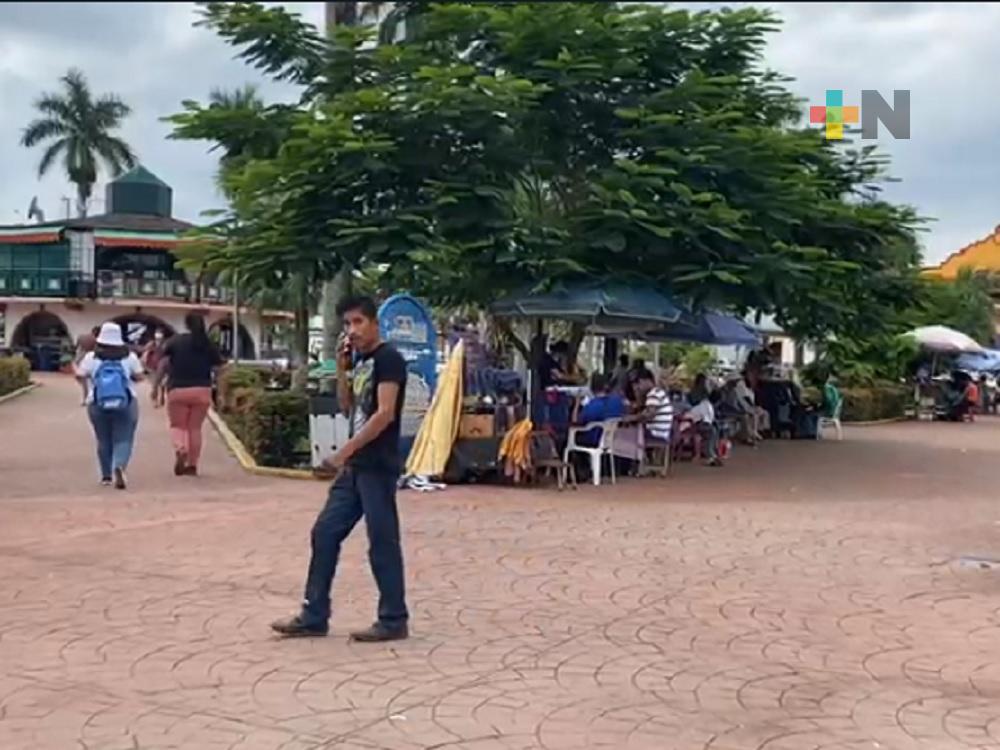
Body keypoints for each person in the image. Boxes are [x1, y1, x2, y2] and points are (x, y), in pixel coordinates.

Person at [272, 295, 410, 642]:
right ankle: (314, 614)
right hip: (354, 468)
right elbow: (348, 405)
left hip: (377, 466)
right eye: (348, 324)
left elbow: (384, 414)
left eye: (358, 322)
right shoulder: (360, 361)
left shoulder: (389, 360)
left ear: (375, 323)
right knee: (325, 532)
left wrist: (341, 453)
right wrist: (342, 367)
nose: (353, 330)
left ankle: (393, 618)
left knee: (382, 541)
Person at [152, 313, 225, 477]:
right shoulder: (208, 344)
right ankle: (192, 465)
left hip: (177, 389)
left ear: (186, 324)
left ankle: (180, 448)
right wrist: (218, 391)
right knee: (195, 428)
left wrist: (156, 387)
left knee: (178, 426)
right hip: (202, 390)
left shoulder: (175, 342)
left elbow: (163, 364)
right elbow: (218, 368)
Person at [76, 322, 144, 489]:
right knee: (124, 438)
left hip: (97, 402)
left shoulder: (91, 357)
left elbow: (80, 375)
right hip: (126, 402)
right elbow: (140, 377)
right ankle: (119, 465)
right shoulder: (130, 357)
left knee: (103, 439)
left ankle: (106, 476)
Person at [572, 373, 626, 447]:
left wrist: (576, 404)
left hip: (593, 440)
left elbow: (576, 423)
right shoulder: (617, 401)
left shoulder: (593, 406)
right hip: (611, 440)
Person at [638, 370, 675, 445]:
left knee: (627, 433)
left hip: (655, 434)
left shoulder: (653, 394)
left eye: (640, 383)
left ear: (647, 381)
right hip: (662, 433)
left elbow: (650, 415)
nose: (639, 386)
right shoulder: (659, 392)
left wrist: (634, 418)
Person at [686, 391, 722, 466]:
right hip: (696, 424)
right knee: (711, 432)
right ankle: (711, 455)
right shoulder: (706, 405)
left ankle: (712, 454)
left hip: (701, 423)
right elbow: (705, 420)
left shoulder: (708, 404)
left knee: (714, 431)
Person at [74, 326, 100, 405]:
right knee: (92, 381)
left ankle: (85, 398)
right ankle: (91, 397)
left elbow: (76, 347)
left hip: (80, 357)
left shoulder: (81, 337)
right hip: (90, 359)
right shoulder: (96, 340)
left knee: (83, 380)